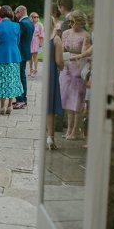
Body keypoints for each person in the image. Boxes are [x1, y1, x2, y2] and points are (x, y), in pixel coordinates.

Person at [59, 10, 91, 140]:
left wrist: (73, 54)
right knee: (67, 100)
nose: (71, 24)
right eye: (69, 21)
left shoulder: (86, 35)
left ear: (80, 22)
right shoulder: (66, 33)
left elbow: (85, 53)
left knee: (77, 101)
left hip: (78, 68)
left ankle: (75, 130)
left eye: (73, 21)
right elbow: (62, 49)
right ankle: (69, 129)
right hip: (66, 68)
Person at [0, 5, 23, 115]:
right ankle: (10, 106)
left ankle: (2, 107)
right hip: (14, 56)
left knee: (1, 82)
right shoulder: (16, 26)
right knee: (12, 81)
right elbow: (17, 41)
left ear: (1, 14)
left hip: (0, 57)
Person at [46, 16, 64, 150]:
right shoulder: (56, 39)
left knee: (45, 106)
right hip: (52, 72)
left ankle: (46, 136)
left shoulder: (43, 37)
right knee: (51, 108)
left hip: (45, 71)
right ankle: (51, 138)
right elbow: (59, 61)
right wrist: (63, 66)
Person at [13, 5, 35, 109]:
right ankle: (23, 99)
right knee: (22, 76)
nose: (15, 15)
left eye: (16, 12)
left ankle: (20, 99)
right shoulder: (30, 22)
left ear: (20, 12)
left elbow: (17, 39)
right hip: (25, 52)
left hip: (20, 53)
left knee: (18, 76)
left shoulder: (22, 23)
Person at [29, 12, 44, 76]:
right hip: (30, 42)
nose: (36, 18)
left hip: (36, 41)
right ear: (31, 18)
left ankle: (35, 70)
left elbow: (42, 34)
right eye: (34, 17)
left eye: (37, 17)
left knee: (35, 56)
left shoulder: (40, 25)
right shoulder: (30, 24)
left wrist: (41, 42)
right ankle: (30, 70)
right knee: (29, 57)